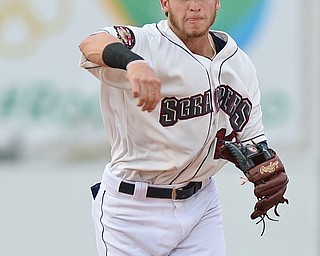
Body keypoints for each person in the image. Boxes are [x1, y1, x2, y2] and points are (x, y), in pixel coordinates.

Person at [79, 0, 287, 255]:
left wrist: (261, 162)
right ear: (165, 3)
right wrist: (132, 62)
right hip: (132, 211)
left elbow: (253, 141)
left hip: (201, 206)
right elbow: (90, 44)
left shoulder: (238, 64)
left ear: (217, 2)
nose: (195, 6)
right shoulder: (147, 43)